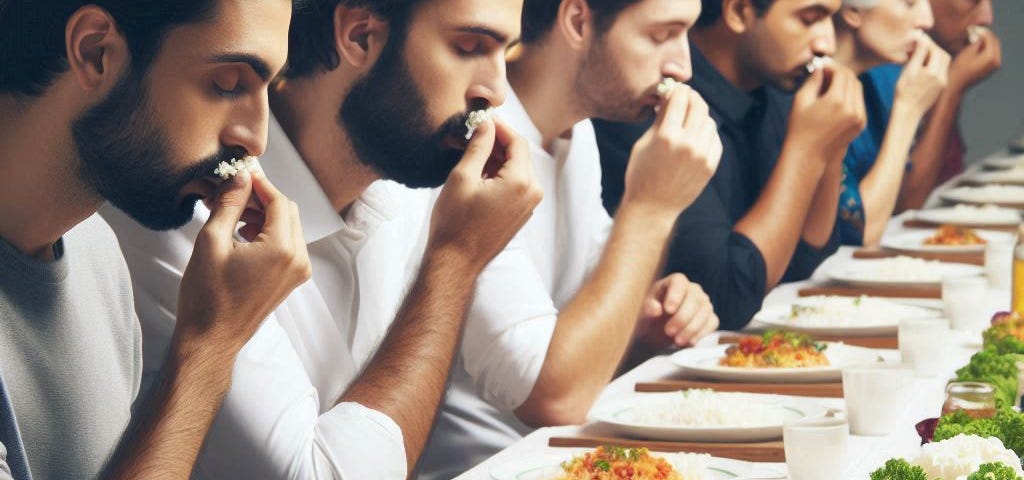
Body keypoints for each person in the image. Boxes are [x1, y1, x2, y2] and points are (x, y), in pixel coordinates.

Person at [100, 0, 541, 478]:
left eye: (505, 51)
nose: (496, 92)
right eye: (470, 47)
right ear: (358, 36)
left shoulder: (425, 193)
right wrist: (456, 260)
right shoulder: (185, 205)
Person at [0, 1, 310, 479]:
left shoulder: (99, 256)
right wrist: (210, 348)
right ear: (96, 52)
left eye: (270, 88)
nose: (257, 138)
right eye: (227, 84)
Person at [416, 0, 722, 477]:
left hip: (574, 457)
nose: (682, 67)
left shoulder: (575, 134)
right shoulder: (473, 150)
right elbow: (556, 396)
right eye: (662, 36)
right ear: (578, 20)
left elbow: (593, 322)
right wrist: (652, 208)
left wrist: (646, 323)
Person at [594, 0, 867, 329]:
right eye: (809, 19)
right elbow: (728, 296)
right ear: (738, 12)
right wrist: (805, 151)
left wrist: (831, 147)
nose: (827, 44)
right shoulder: (647, 105)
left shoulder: (776, 91)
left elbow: (807, 259)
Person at [862, 0, 1001, 210]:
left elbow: (945, 181)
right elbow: (905, 207)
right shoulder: (879, 72)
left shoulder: (932, 63)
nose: (987, 18)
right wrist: (952, 89)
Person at [832, 0, 949, 246]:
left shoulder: (880, 79)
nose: (927, 20)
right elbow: (861, 233)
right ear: (853, 11)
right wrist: (909, 109)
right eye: (909, 3)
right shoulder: (800, 94)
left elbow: (897, 207)